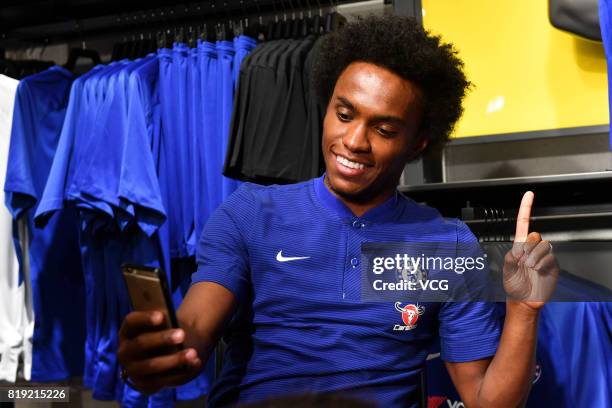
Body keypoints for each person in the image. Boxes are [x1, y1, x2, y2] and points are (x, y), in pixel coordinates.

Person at [118, 15, 558, 407]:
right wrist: (165, 349)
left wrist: (523, 309)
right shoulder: (251, 212)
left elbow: (486, 401)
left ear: (418, 143)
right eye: (344, 114)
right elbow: (196, 324)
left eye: (383, 129)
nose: (353, 141)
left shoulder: (447, 243)